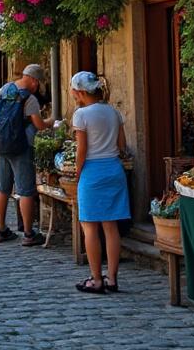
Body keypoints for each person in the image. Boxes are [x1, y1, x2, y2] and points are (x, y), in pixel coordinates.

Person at [71, 71, 130, 294]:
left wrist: (78, 173)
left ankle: (96, 279)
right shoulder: (113, 112)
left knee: (90, 227)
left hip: (92, 172)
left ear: (80, 92)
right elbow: (122, 145)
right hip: (114, 169)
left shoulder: (81, 115)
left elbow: (82, 150)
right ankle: (112, 278)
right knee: (111, 227)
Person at [0, 63, 54, 246]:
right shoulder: (29, 98)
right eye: (38, 83)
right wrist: (51, 121)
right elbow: (39, 125)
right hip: (21, 146)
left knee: (3, 188)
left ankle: (1, 229)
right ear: (33, 79)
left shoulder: (3, 90)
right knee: (26, 190)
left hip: (2, 143)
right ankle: (28, 233)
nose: (37, 87)